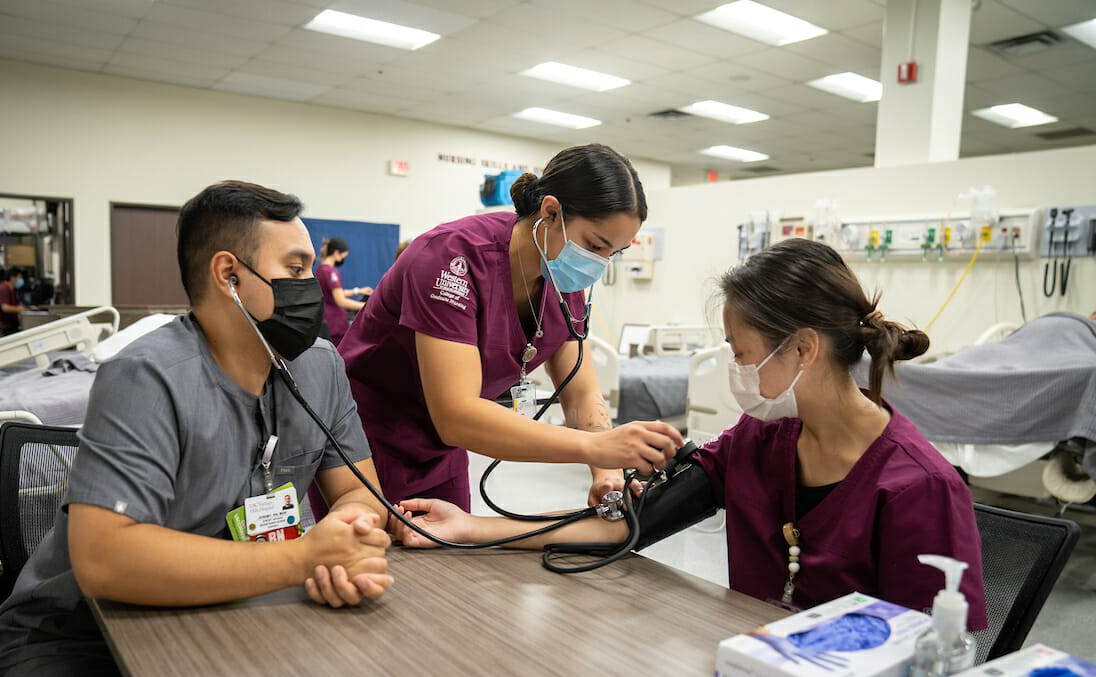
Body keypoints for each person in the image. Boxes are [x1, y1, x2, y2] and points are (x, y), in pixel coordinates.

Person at [0, 181, 394, 677]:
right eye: (294, 269)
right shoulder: (147, 376)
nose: (310, 289)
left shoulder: (318, 365)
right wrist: (300, 558)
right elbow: (105, 562)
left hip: (242, 604)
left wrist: (350, 534)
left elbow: (360, 491)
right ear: (230, 274)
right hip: (84, 634)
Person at [391, 238, 988, 630]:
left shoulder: (917, 487)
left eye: (741, 352)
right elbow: (625, 526)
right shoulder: (756, 443)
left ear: (804, 348)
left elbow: (929, 660)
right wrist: (470, 528)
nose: (735, 370)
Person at [337, 144, 684, 513]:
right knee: (364, 561)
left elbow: (581, 395)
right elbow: (456, 413)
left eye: (612, 253)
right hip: (365, 438)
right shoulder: (452, 258)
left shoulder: (563, 283)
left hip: (442, 449)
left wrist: (607, 470)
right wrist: (593, 446)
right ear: (551, 211)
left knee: (446, 554)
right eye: (595, 245)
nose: (598, 265)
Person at [315, 236, 373, 346]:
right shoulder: (330, 272)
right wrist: (365, 306)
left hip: (326, 323)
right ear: (336, 253)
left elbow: (332, 293)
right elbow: (340, 300)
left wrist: (358, 291)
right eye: (343, 256)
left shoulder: (320, 269)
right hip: (335, 326)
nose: (342, 260)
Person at [0, 267, 28, 335]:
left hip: (7, 325)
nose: (21, 280)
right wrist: (19, 309)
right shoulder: (3, 289)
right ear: (12, 278)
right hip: (0, 327)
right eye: (19, 278)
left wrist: (27, 308)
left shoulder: (11, 290)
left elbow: (16, 304)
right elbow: (5, 308)